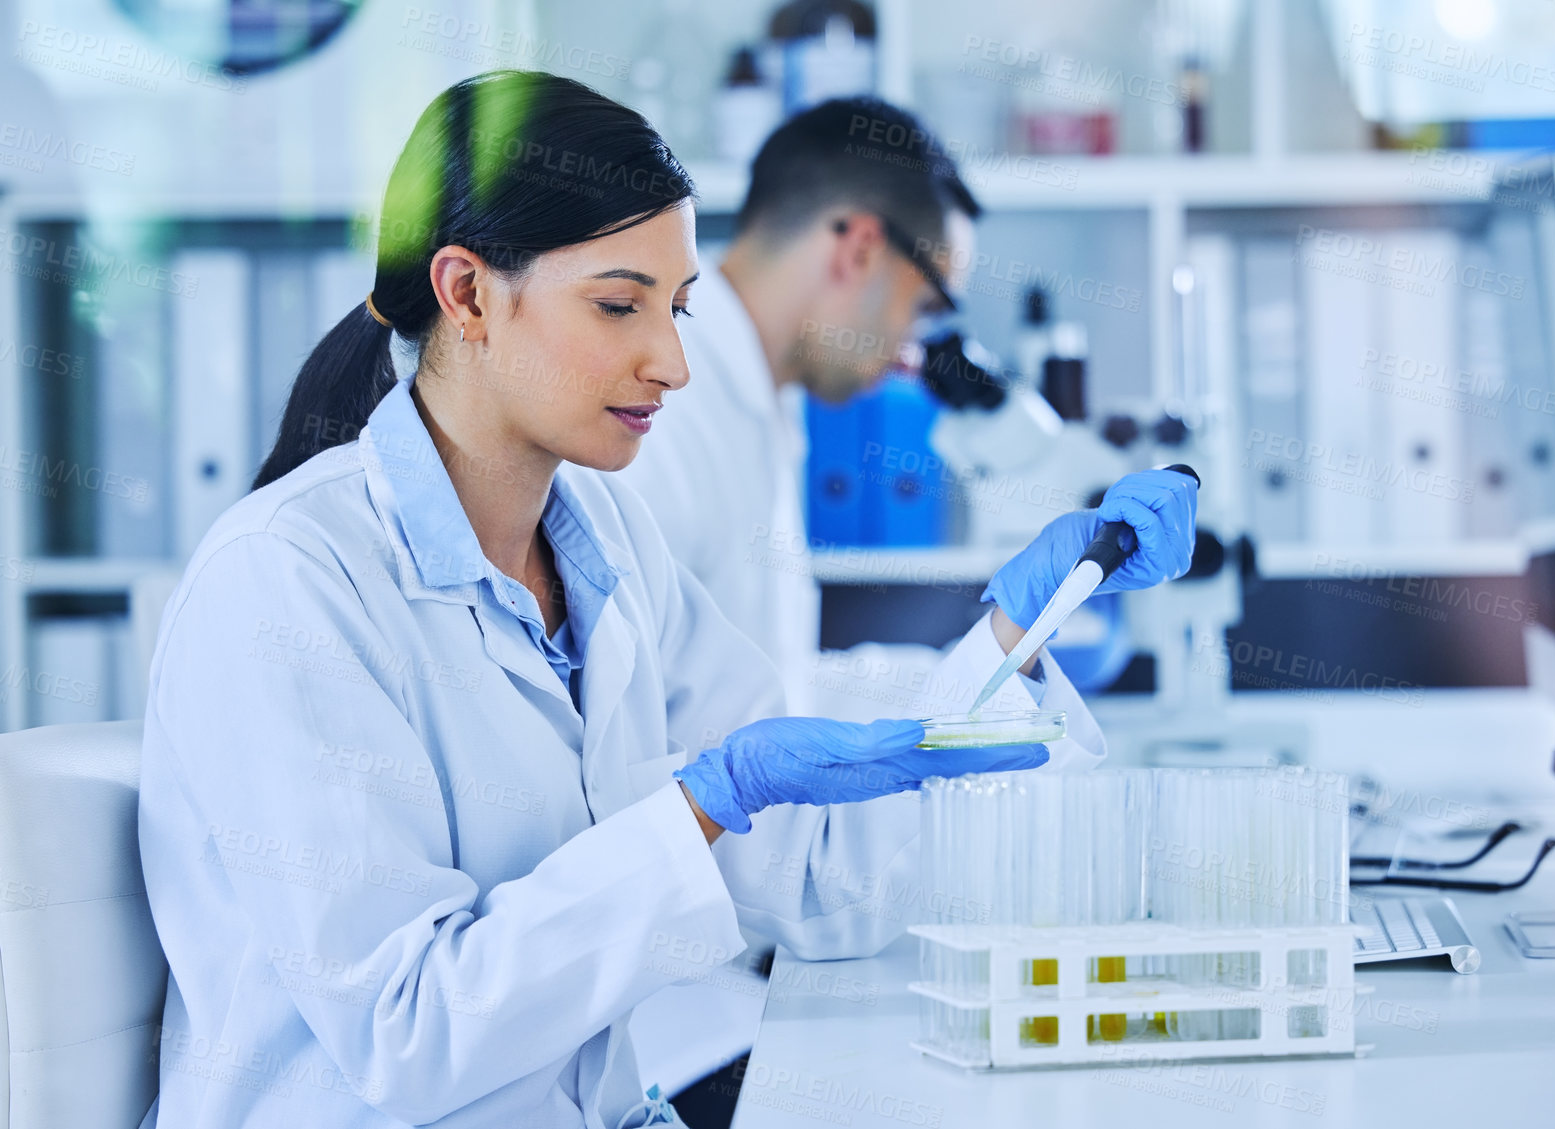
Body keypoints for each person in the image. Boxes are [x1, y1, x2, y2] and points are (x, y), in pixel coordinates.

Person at [136, 71, 1198, 1129]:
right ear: (464, 295)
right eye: (617, 304)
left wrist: (1022, 627)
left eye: (678, 306)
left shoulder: (606, 550)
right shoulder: (286, 584)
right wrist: (696, 807)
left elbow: (820, 878)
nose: (674, 362)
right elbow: (409, 1032)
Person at [615, 98, 979, 716]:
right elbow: (624, 722)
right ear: (859, 248)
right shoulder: (659, 406)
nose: (911, 357)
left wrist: (993, 662)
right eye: (923, 309)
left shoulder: (767, 400)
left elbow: (770, 688)